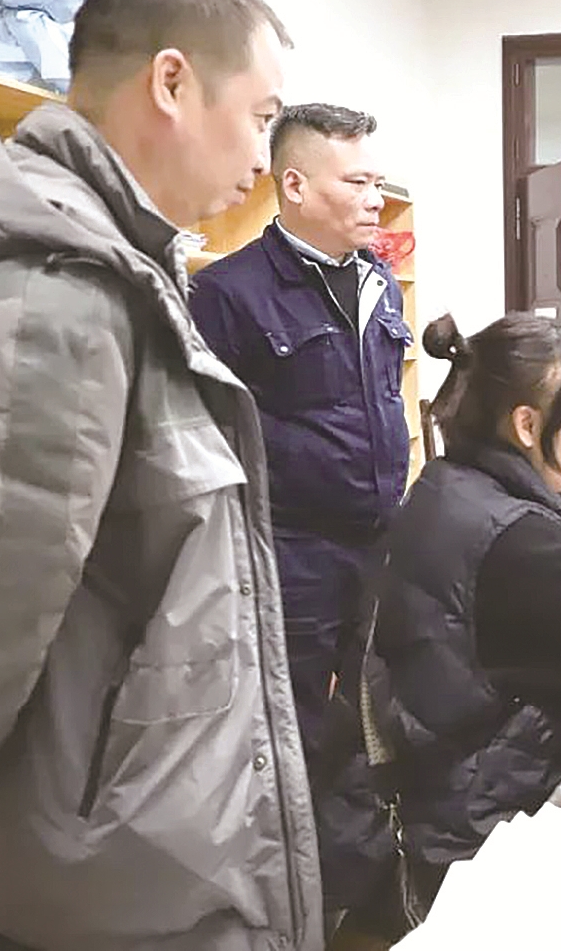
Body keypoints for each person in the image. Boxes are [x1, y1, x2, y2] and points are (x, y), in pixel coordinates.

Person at [0, 0, 321, 951]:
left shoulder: (111, 267)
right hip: (105, 876)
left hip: (122, 843)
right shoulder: (55, 297)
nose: (263, 160)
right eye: (259, 117)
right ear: (171, 83)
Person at [365, 312, 561, 910]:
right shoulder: (516, 540)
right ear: (528, 425)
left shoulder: (448, 484)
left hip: (449, 805)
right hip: (489, 838)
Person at [189, 103, 411, 751]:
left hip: (378, 540)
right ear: (294, 185)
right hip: (290, 554)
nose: (376, 200)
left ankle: (363, 814)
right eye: (356, 183)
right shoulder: (228, 293)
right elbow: (207, 432)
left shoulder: (379, 282)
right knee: (289, 724)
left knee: (375, 713)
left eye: (378, 183)